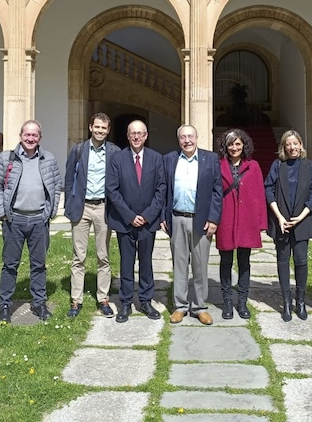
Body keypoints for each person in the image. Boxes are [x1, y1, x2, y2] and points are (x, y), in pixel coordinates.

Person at [0, 120, 62, 324]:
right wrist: (2, 211)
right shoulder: (6, 158)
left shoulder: (48, 158)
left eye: (35, 135)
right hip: (14, 220)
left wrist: (51, 211)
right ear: (21, 136)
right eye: (27, 135)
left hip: (39, 220)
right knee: (10, 265)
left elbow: (56, 185)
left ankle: (39, 302)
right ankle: (5, 305)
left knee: (38, 265)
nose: (31, 138)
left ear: (40, 138)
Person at [106, 120, 166, 323]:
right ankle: (125, 302)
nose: (137, 137)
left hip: (148, 222)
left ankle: (146, 301)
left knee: (147, 262)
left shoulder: (157, 159)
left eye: (140, 133)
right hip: (125, 221)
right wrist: (130, 216)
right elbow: (112, 190)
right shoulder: (117, 159)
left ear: (146, 135)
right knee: (126, 263)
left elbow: (161, 189)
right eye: (133, 133)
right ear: (127, 135)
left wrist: (148, 215)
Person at [162, 125, 222, 325]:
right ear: (178, 140)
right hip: (177, 218)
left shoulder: (210, 159)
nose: (187, 140)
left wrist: (214, 219)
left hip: (202, 220)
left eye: (190, 136)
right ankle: (180, 306)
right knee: (179, 264)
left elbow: (217, 191)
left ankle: (199, 306)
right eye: (183, 137)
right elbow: (164, 190)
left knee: (200, 265)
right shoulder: (169, 159)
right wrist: (164, 216)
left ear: (197, 137)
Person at [64, 113, 120, 318]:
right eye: (97, 127)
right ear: (90, 127)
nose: (100, 131)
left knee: (103, 256)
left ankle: (103, 298)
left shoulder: (114, 151)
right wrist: (69, 205)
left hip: (103, 208)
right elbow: (69, 178)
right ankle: (76, 300)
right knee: (78, 257)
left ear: (108, 130)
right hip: (82, 207)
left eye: (103, 128)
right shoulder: (78, 150)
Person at [265, 130, 312, 322]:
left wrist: (301, 216)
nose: (292, 147)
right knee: (282, 260)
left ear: (300, 144)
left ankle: (301, 301)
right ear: (283, 147)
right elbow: (268, 190)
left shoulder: (309, 166)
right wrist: (279, 217)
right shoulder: (277, 165)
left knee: (301, 261)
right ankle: (287, 302)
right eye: (288, 144)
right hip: (281, 221)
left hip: (302, 220)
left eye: (295, 143)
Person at [216, 129, 268, 320]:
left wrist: (261, 222)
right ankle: (227, 302)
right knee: (226, 262)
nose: (234, 148)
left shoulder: (253, 166)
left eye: (238, 144)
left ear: (244, 145)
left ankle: (242, 302)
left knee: (244, 263)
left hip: (247, 221)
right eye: (231, 144)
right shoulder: (219, 165)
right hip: (226, 220)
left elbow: (260, 194)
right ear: (225, 146)